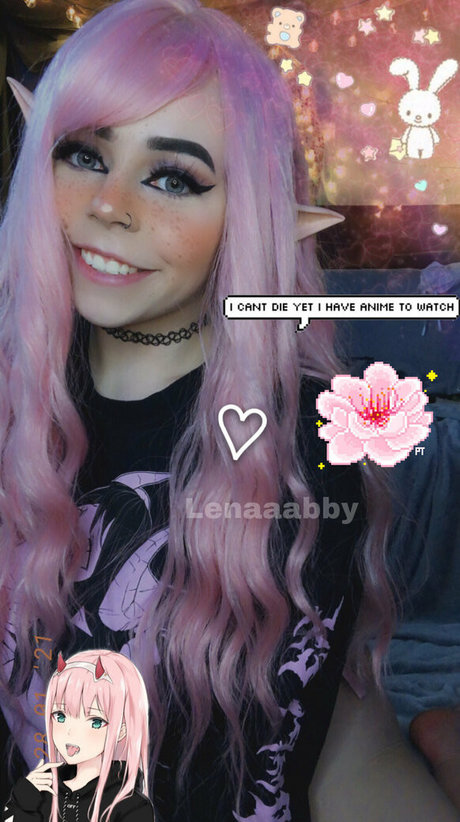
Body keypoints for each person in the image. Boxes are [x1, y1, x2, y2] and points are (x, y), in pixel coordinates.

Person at [0, 1, 396, 819]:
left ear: (244, 216)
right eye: (84, 155)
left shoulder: (305, 448)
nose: (109, 205)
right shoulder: (14, 395)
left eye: (171, 177)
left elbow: (272, 758)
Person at [2, 650, 154, 821]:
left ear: (121, 730)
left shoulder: (131, 806)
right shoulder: (42, 791)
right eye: (60, 716)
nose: (70, 731)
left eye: (95, 721)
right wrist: (23, 800)